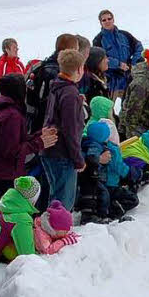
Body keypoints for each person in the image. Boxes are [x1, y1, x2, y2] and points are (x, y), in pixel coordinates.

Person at [0, 74, 57, 225]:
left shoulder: (2, 109)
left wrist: (38, 135)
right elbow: (11, 150)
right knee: (3, 214)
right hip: (1, 173)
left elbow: (13, 140)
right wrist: (39, 143)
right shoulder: (12, 115)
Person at [41, 48, 86, 211]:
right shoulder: (70, 94)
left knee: (55, 197)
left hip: (50, 151)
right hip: (63, 154)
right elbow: (70, 130)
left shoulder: (57, 87)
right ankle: (57, 233)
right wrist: (78, 158)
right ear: (80, 69)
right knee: (63, 203)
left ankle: (50, 230)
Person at [26, 33, 80, 134]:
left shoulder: (39, 66)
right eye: (76, 49)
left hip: (32, 121)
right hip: (48, 126)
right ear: (71, 49)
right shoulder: (61, 72)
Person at [93, 10, 144, 99]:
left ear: (113, 19)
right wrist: (118, 64)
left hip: (129, 77)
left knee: (130, 105)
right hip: (112, 81)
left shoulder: (124, 35)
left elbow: (139, 47)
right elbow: (99, 59)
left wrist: (133, 62)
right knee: (109, 108)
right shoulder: (98, 40)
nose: (107, 21)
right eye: (104, 20)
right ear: (100, 23)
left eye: (109, 18)